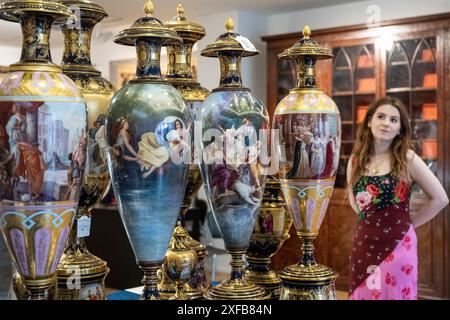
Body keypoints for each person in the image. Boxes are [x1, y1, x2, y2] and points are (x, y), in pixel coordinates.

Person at [346, 96, 448, 300]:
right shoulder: (355, 160)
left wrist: (409, 224)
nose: (386, 123)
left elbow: (440, 198)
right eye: (381, 116)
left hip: (399, 246)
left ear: (400, 128)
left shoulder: (407, 158)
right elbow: (351, 198)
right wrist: (371, 221)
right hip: (363, 243)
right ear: (369, 121)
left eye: (393, 120)